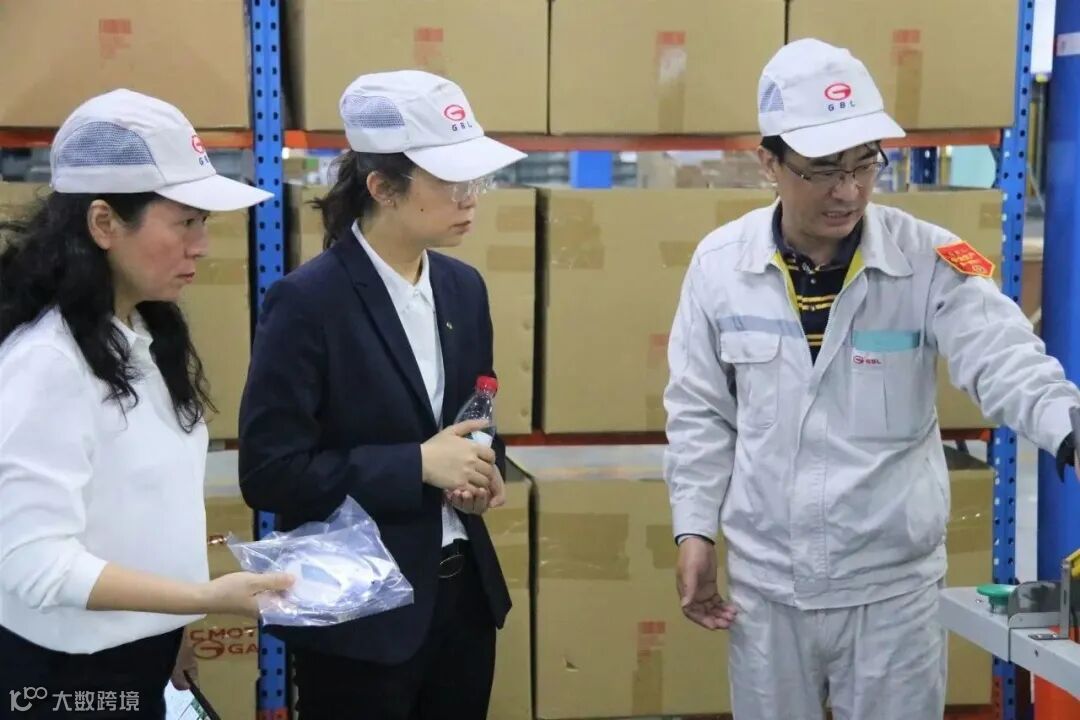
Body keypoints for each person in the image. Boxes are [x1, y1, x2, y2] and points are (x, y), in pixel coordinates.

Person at [663, 38, 1080, 720]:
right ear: (769, 163)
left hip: (891, 593)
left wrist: (1070, 430)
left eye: (865, 163)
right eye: (824, 169)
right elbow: (699, 413)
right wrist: (694, 530)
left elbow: (1004, 358)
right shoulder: (720, 267)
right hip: (769, 590)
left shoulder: (928, 261)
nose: (849, 190)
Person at [238, 70, 526, 720]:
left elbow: (471, 415)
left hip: (462, 601)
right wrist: (417, 465)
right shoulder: (308, 303)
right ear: (382, 187)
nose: (470, 199)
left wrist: (483, 467)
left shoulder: (463, 288)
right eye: (450, 181)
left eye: (475, 180)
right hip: (361, 619)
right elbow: (270, 472)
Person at [0, 89, 294, 719]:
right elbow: (33, 563)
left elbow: (138, 509)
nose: (202, 245)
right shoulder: (49, 362)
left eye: (202, 223)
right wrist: (203, 597)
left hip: (135, 650)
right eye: (185, 222)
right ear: (104, 223)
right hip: (61, 678)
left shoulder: (138, 333)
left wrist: (170, 628)